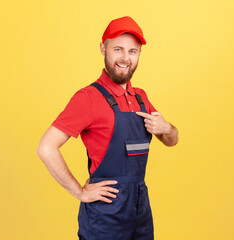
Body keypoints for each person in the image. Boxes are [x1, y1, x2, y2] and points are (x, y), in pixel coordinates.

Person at [37, 16, 178, 240]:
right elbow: (46, 148)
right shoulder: (88, 98)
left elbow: (172, 140)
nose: (125, 58)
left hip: (141, 212)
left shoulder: (141, 97)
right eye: (118, 49)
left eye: (133, 51)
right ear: (103, 48)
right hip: (105, 215)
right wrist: (79, 192)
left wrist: (166, 127)